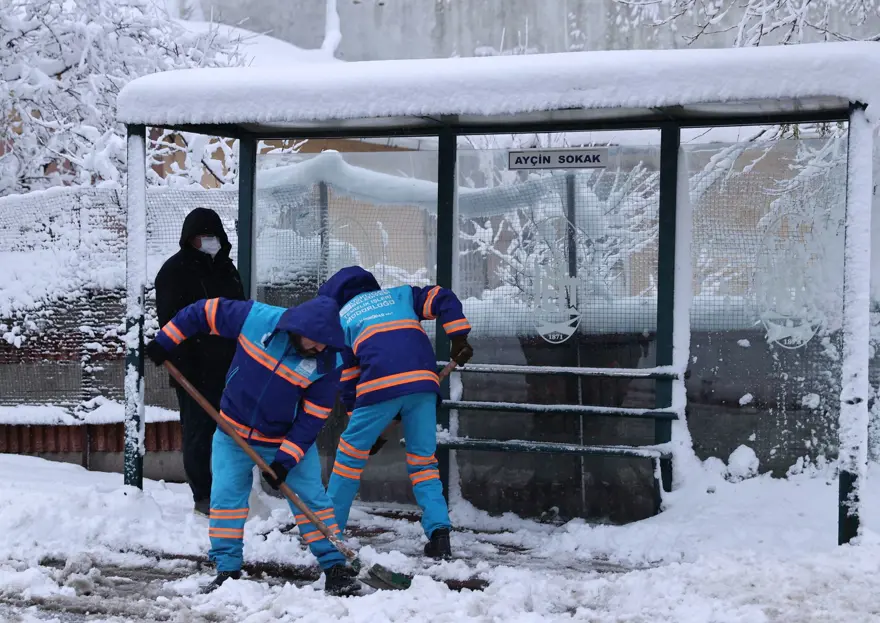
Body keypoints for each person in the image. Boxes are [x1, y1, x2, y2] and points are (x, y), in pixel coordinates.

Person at [144, 294, 360, 596]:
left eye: (326, 343)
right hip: (233, 433)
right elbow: (204, 312)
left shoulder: (328, 361)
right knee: (226, 501)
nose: (320, 348)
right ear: (298, 327)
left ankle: (336, 568)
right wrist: (167, 340)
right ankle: (227, 570)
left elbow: (313, 416)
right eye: (315, 341)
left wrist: (286, 460)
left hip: (284, 438)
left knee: (312, 500)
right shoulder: (257, 319)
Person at [317, 266, 474, 561]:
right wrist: (458, 336)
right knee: (423, 461)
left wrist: (362, 426)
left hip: (378, 385)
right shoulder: (400, 296)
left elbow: (349, 380)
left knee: (349, 459)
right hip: (424, 384)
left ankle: (329, 532)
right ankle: (440, 535)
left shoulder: (342, 319)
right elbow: (442, 296)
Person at [154, 207, 245, 517]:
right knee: (198, 432)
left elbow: (241, 312)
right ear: (189, 239)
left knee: (231, 430)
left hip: (230, 367)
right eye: (202, 237)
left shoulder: (228, 270)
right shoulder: (173, 271)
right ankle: (203, 496)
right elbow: (170, 322)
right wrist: (184, 365)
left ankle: (228, 489)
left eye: (214, 236)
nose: (209, 242)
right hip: (192, 369)